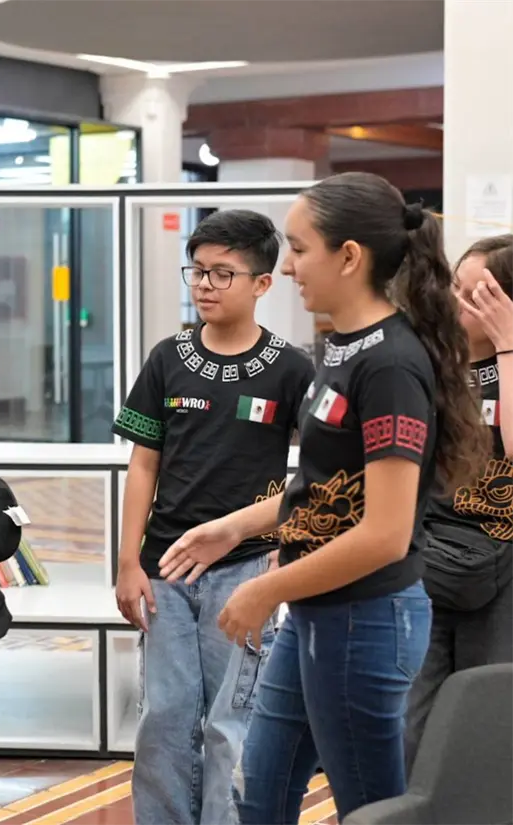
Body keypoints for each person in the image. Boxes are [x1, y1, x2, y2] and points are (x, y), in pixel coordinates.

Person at [159, 172, 490, 823]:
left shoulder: (390, 363)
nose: (286, 268)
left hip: (363, 620)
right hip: (315, 615)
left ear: (348, 256)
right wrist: (233, 527)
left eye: (299, 247)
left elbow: (384, 532)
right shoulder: (341, 346)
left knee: (369, 807)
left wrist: (263, 589)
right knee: (264, 789)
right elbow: (326, 490)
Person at [112, 209, 315, 825]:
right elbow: (143, 466)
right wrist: (127, 562)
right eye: (197, 271)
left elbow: (312, 478)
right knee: (164, 720)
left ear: (262, 283)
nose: (204, 284)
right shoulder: (167, 358)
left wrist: (286, 546)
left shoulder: (292, 368)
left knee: (234, 723)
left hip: (246, 571)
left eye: (223, 273)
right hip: (166, 572)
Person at [404, 234, 513, 772]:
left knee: (486, 719)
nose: (457, 302)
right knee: (411, 723)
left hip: (502, 568)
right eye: (455, 286)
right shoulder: (430, 365)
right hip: (428, 557)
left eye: (479, 294)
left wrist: (510, 345)